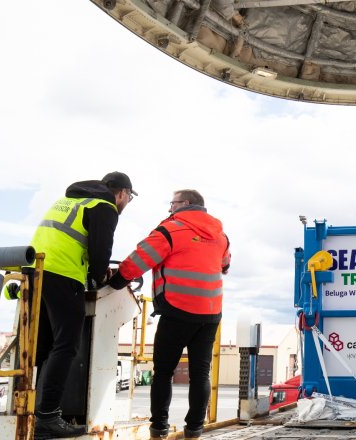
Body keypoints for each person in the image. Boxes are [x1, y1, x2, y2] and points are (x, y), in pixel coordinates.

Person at [108, 189, 230, 440]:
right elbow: (225, 264)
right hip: (210, 313)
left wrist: (116, 282)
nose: (169, 209)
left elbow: (139, 260)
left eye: (172, 203)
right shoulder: (221, 235)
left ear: (185, 204)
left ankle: (159, 429)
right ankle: (194, 430)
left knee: (163, 371)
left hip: (178, 309)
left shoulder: (171, 230)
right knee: (200, 373)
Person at [31, 172, 136, 439]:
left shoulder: (70, 200)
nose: (126, 203)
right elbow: (101, 251)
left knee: (42, 347)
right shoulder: (105, 206)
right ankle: (48, 418)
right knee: (66, 345)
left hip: (35, 271)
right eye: (129, 198)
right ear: (122, 193)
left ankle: (32, 409)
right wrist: (101, 276)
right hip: (63, 275)